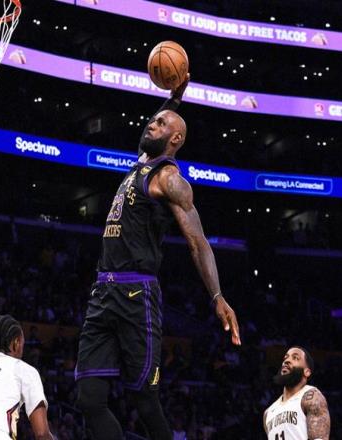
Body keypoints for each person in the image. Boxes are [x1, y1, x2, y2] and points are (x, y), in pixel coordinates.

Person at [75, 74, 241, 440]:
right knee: (89, 398)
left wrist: (217, 296)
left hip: (136, 295)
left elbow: (198, 242)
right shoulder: (141, 163)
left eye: (161, 123)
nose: (153, 123)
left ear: (175, 139)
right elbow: (156, 127)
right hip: (103, 292)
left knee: (145, 402)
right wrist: (175, 99)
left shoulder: (168, 179)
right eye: (154, 120)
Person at [264, 346, 331, 440]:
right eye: (285, 358)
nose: (287, 361)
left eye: (295, 358)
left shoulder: (311, 397)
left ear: (307, 372)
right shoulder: (268, 412)